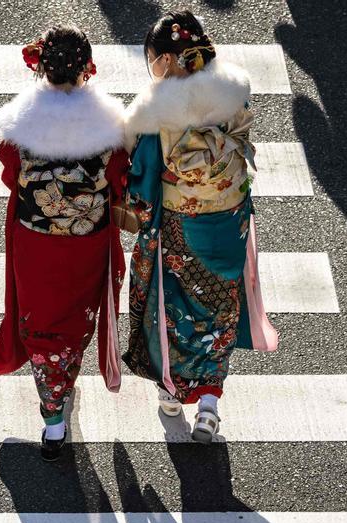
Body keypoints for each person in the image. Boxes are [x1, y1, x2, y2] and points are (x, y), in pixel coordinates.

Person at [122, 9, 279, 443]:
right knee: (221, 307)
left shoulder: (158, 112)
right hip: (228, 220)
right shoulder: (232, 94)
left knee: (173, 310)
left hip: (180, 227)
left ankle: (172, 394)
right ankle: (210, 405)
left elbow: (143, 176)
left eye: (152, 58)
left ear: (169, 61)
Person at [0, 25, 129, 462]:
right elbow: (120, 179)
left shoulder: (22, 121)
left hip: (37, 244)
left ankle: (54, 418)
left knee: (42, 324)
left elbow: (11, 174)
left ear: (41, 67)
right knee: (76, 321)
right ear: (87, 69)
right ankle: (67, 379)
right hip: (87, 244)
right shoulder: (108, 124)